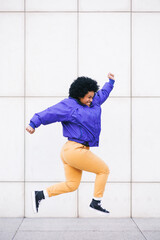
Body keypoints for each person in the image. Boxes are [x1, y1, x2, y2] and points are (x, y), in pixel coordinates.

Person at [26, 73, 115, 215]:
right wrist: (33, 123)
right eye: (88, 97)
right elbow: (50, 112)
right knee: (103, 170)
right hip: (75, 150)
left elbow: (103, 94)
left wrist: (110, 82)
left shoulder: (94, 102)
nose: (90, 100)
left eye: (92, 97)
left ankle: (40, 195)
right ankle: (96, 201)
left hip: (70, 151)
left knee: (72, 185)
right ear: (79, 94)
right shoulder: (69, 106)